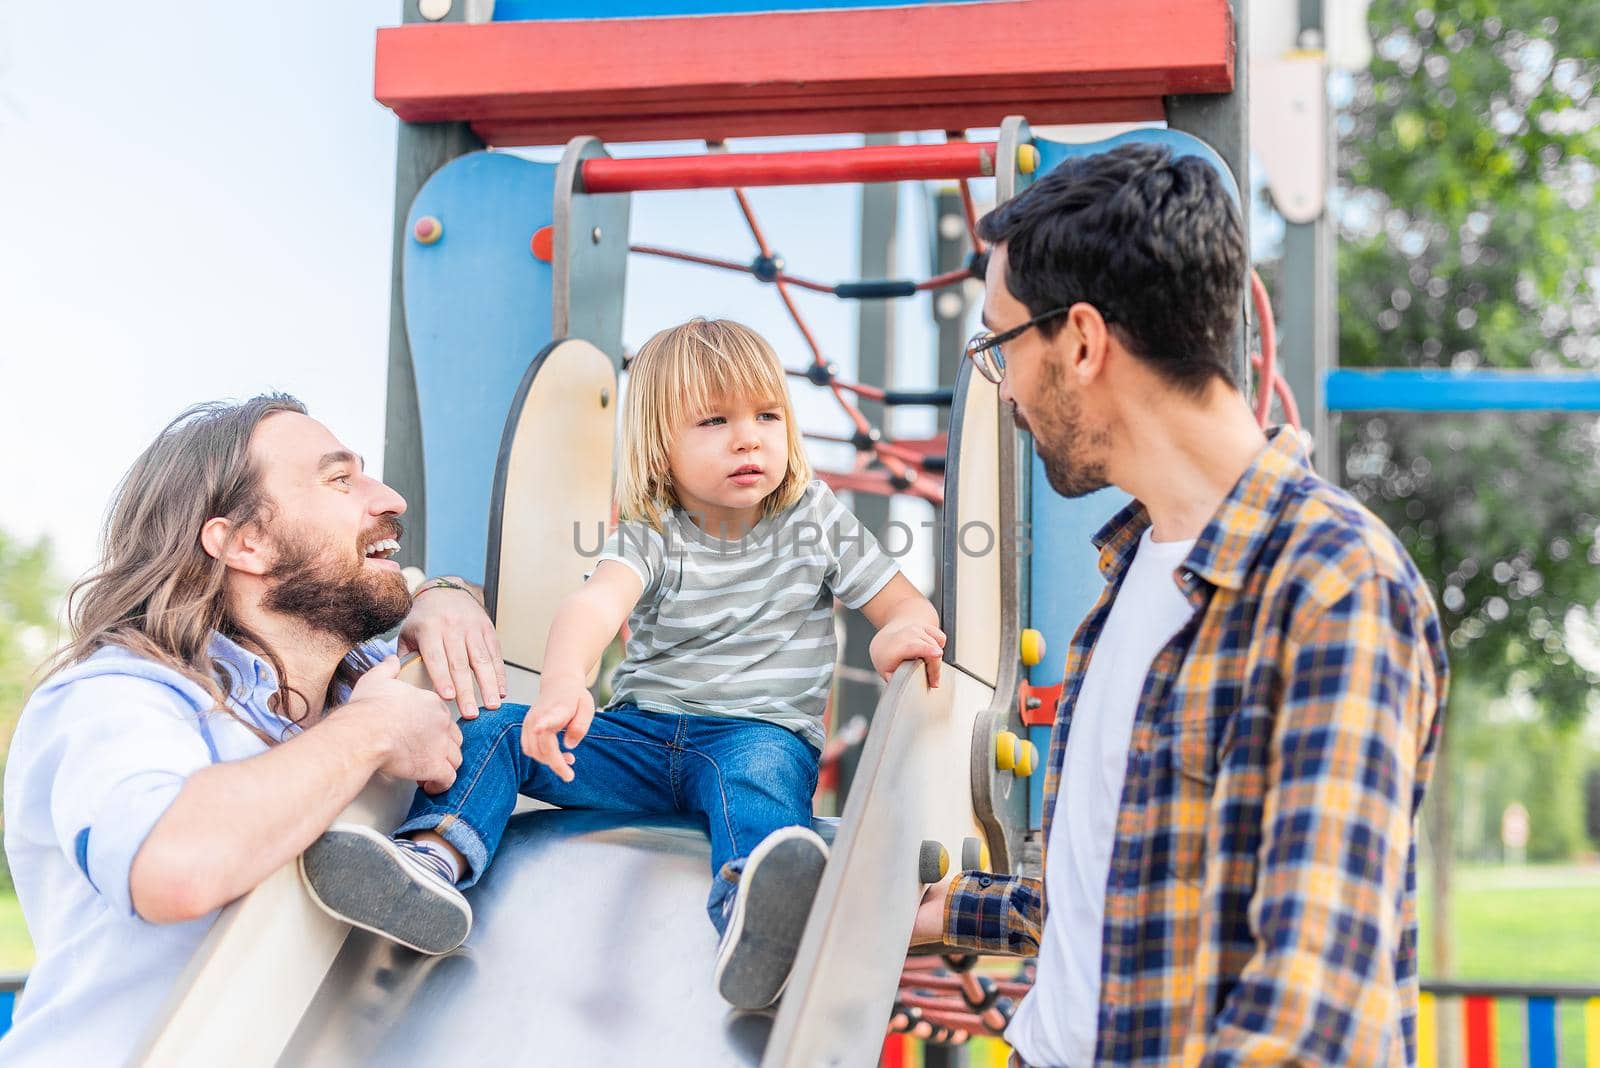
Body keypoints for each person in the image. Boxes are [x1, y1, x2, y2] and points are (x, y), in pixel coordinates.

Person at [910, 144, 1449, 1066]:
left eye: (1002, 348)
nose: (1001, 395)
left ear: (1080, 342)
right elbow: (1131, 893)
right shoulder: (1133, 570)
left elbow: (1308, 1020)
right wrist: (928, 913)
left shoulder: (1333, 585)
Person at [300, 318, 947, 1010]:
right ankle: (431, 860)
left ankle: (756, 922)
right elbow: (594, 608)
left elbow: (905, 606)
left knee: (760, 785)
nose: (748, 437)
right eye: (713, 421)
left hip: (755, 733)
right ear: (661, 449)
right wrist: (563, 687)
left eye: (767, 416)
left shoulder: (813, 519)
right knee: (488, 730)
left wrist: (897, 635)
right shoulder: (652, 531)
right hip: (640, 741)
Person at [1, 395, 506, 1066]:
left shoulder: (366, 685)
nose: (389, 498)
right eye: (340, 479)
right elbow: (173, 866)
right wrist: (370, 732)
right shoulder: (115, 696)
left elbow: (449, 602)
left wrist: (448, 594)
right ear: (246, 542)